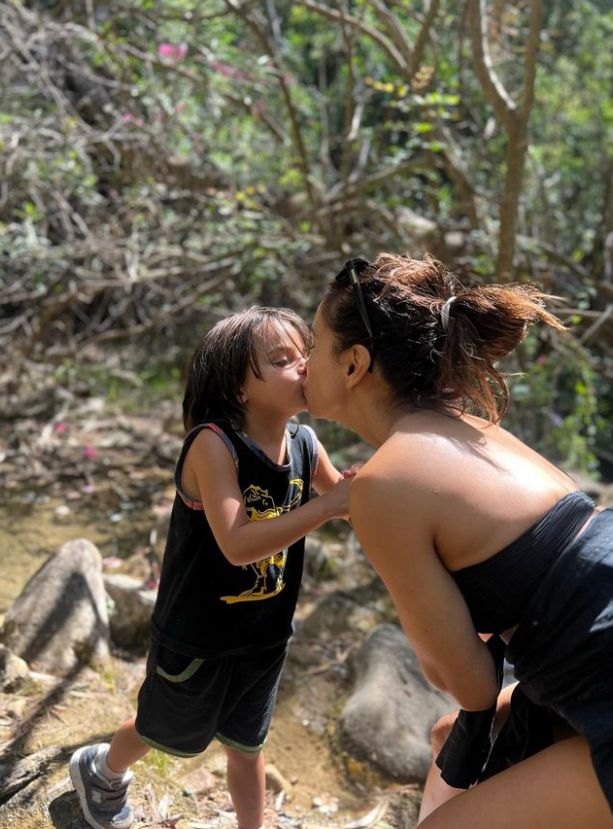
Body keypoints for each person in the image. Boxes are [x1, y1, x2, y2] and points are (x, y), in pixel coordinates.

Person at [303, 253, 613, 828]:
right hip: (592, 641)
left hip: (599, 663)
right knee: (448, 736)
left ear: (353, 365)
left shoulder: (384, 485)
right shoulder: (473, 428)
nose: (301, 362)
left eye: (314, 343)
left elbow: (469, 685)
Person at [70, 306, 352, 829]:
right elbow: (238, 544)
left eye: (305, 354)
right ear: (239, 389)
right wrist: (329, 507)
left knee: (248, 744)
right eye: (282, 359)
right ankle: (101, 770)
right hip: (196, 636)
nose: (305, 367)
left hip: (264, 637)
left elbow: (354, 504)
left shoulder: (306, 445)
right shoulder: (213, 445)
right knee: (165, 732)